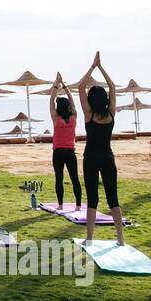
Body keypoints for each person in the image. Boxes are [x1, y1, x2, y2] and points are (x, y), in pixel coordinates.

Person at [77, 52, 125, 245]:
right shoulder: (111, 114)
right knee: (113, 198)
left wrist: (92, 67)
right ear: (105, 99)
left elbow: (80, 87)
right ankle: (120, 239)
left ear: (91, 100)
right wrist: (101, 68)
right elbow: (112, 87)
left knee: (92, 199)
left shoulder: (89, 115)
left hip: (90, 158)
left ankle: (89, 239)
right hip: (107, 158)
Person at [49, 73, 82, 210]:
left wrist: (56, 85)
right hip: (70, 152)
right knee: (75, 179)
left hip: (58, 152)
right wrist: (65, 87)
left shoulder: (56, 118)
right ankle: (78, 206)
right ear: (68, 107)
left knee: (59, 178)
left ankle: (61, 205)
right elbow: (72, 101)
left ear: (58, 108)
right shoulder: (73, 117)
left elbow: (51, 101)